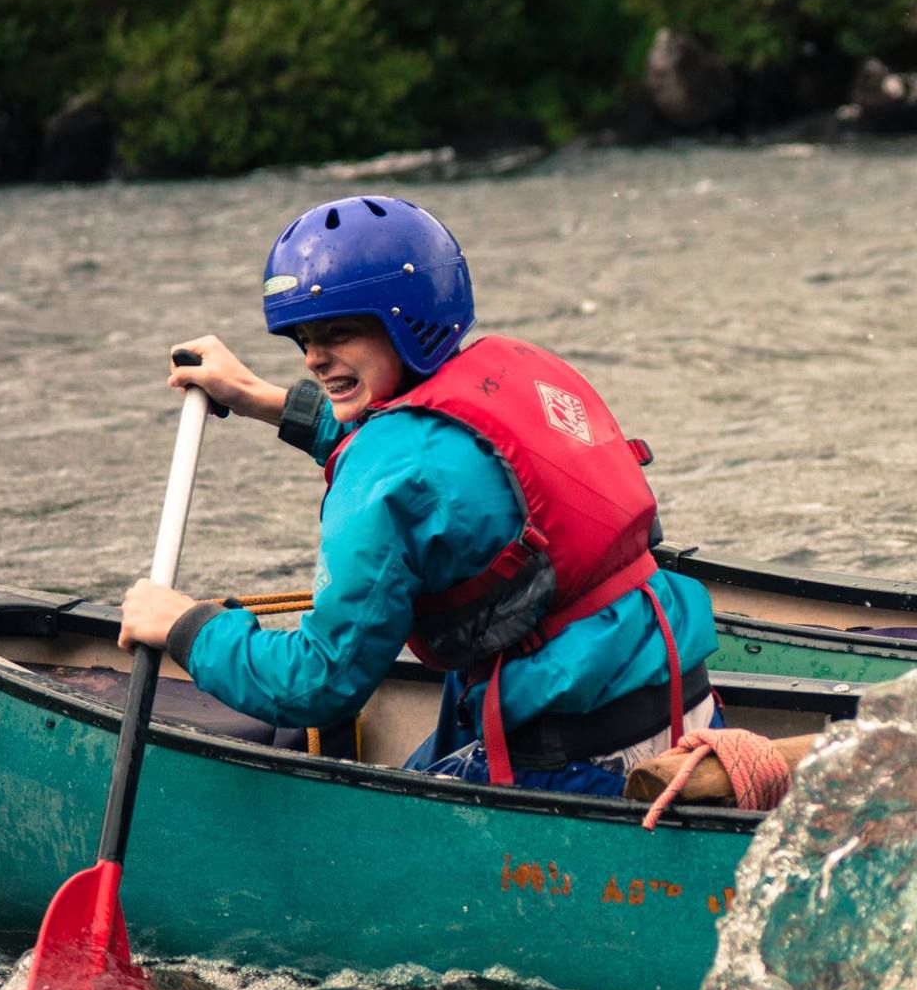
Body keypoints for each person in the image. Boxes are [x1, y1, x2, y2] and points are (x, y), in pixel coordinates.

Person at [116, 195, 718, 794]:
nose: (315, 360)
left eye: (339, 332)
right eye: (303, 339)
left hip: (581, 763)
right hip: (682, 705)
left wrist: (185, 626)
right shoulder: (502, 376)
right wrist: (255, 395)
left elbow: (317, 684)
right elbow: (421, 457)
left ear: (406, 322)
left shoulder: (389, 475)